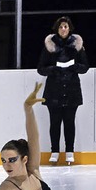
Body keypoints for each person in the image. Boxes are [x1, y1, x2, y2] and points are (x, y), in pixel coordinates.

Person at [36, 16, 89, 165]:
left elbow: (85, 67)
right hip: (54, 89)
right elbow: (41, 68)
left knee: (69, 122)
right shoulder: (50, 45)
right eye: (61, 27)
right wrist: (54, 69)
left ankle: (69, 152)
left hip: (72, 89)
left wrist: (75, 67)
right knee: (54, 122)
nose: (63, 29)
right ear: (57, 29)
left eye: (65, 26)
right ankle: (54, 152)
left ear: (69, 28)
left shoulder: (77, 45)